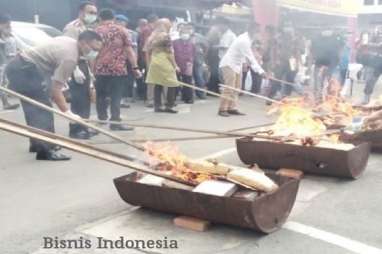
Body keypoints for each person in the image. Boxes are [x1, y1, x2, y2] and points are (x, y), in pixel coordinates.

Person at [5, 31, 103, 161]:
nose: (95, 53)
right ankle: (46, 150)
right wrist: (68, 113)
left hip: (19, 66)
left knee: (33, 108)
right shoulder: (70, 58)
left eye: (98, 50)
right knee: (43, 110)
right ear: (84, 42)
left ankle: (37, 144)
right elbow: (55, 89)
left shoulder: (69, 41)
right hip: (25, 69)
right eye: (94, 49)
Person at [94, 9, 141, 131]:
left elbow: (91, 52)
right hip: (117, 69)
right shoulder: (122, 30)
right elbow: (129, 50)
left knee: (101, 95)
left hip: (99, 69)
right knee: (116, 96)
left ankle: (101, 118)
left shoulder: (95, 31)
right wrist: (135, 67)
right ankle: (115, 122)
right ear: (113, 18)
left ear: (100, 18)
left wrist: (91, 69)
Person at [63, 1, 98, 140]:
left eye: (95, 13)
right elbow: (68, 48)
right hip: (75, 64)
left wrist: (90, 72)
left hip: (84, 65)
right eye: (90, 12)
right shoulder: (73, 27)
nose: (93, 15)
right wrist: (75, 68)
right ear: (81, 12)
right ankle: (75, 129)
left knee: (85, 99)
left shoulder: (87, 28)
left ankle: (84, 126)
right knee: (78, 100)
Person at [218, 22, 266, 117]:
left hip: (237, 65)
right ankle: (222, 109)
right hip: (228, 64)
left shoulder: (249, 39)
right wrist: (261, 71)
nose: (259, 34)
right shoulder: (244, 40)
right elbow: (251, 57)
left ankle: (232, 108)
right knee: (230, 87)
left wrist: (244, 63)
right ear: (252, 30)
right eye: (257, 31)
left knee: (237, 88)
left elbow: (244, 55)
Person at [145, 18, 179, 114]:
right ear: (165, 26)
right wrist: (175, 65)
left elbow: (147, 51)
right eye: (169, 25)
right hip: (164, 62)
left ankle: (158, 106)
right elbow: (170, 53)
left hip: (154, 61)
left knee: (158, 83)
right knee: (172, 83)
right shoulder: (165, 36)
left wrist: (149, 64)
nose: (170, 26)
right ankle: (169, 106)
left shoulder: (152, 37)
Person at [115, 14, 139, 108]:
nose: (120, 23)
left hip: (128, 60)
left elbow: (134, 48)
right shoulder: (112, 32)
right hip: (115, 60)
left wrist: (135, 61)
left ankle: (122, 99)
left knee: (126, 80)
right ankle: (117, 99)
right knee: (116, 80)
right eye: (118, 21)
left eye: (122, 22)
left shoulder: (132, 33)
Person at [0, 14, 19, 110]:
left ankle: (5, 103)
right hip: (1, 61)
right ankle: (5, 103)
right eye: (7, 23)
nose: (9, 25)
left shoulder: (8, 32)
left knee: (4, 83)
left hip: (5, 62)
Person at [173, 23, 196, 104]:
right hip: (177, 64)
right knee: (175, 81)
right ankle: (173, 98)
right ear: (180, 34)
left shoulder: (192, 44)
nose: (185, 35)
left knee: (188, 81)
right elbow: (172, 53)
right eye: (183, 33)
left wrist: (191, 63)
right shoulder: (174, 43)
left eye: (186, 33)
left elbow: (193, 54)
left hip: (188, 65)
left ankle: (188, 98)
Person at [140, 14, 158, 107]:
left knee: (151, 78)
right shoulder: (148, 30)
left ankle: (150, 98)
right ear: (154, 21)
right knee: (151, 79)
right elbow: (146, 46)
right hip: (148, 57)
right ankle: (149, 99)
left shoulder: (149, 30)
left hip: (149, 57)